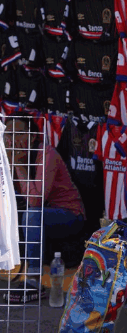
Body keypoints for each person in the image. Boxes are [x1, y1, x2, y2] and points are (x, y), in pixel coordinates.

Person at [5, 116, 85, 279]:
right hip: (37, 214)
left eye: (18, 134)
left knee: (32, 215)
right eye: (8, 135)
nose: (12, 140)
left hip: (69, 215)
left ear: (32, 136)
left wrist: (19, 165)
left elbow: (36, 201)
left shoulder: (46, 154)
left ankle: (33, 280)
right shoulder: (6, 153)